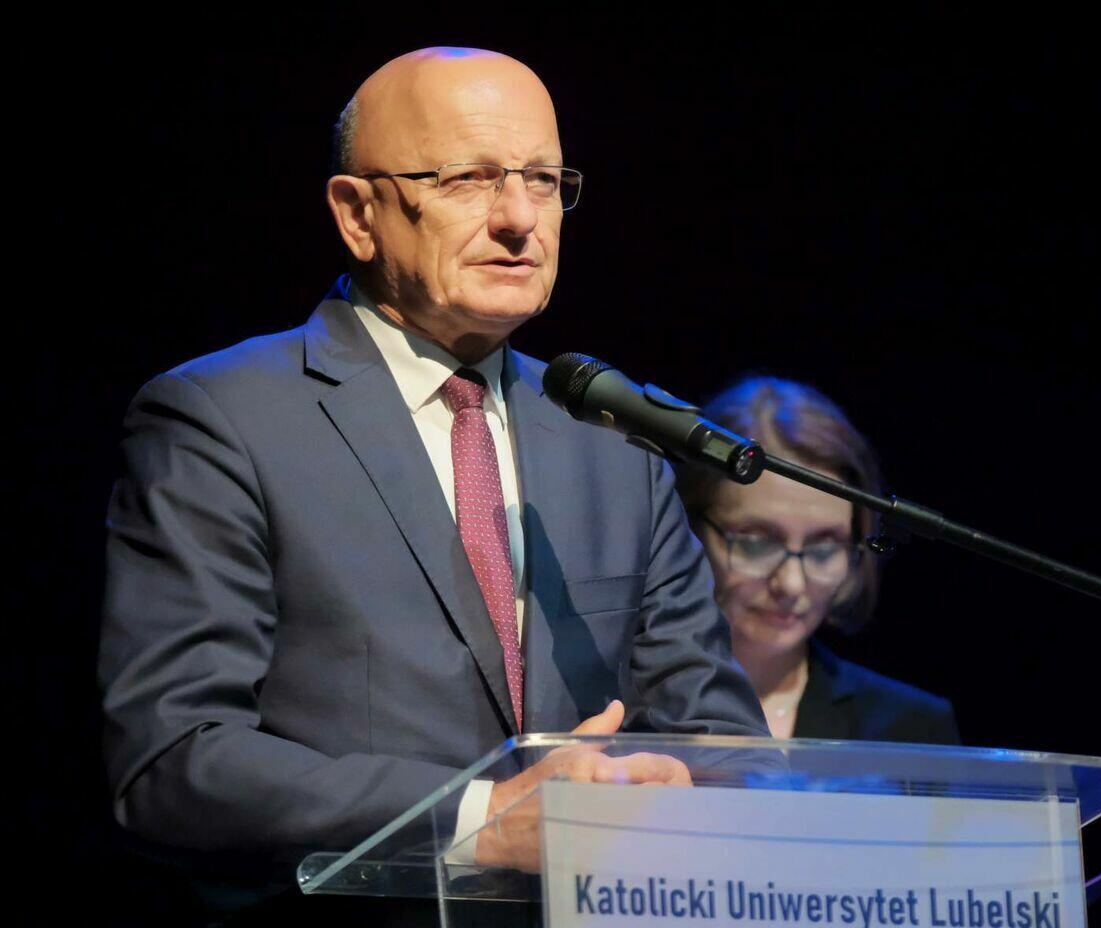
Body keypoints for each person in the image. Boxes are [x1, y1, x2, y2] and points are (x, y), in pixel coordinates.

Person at [98, 47, 767, 921]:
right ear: (358, 215)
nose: (519, 218)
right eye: (468, 179)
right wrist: (482, 818)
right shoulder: (223, 419)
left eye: (542, 179)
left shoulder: (612, 438)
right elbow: (176, 760)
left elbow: (723, 745)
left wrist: (672, 788)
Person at [677, 376, 960, 744]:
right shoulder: (618, 702)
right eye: (756, 543)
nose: (791, 584)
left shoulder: (912, 727)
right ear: (687, 527)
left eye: (824, 549)